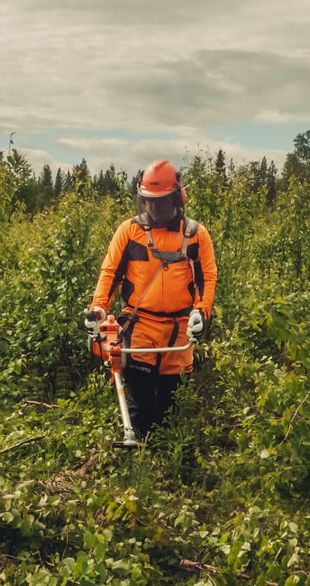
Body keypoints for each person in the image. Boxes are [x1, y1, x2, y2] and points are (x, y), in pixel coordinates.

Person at [86, 160, 217, 439]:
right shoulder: (129, 231)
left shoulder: (195, 236)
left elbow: (206, 279)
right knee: (141, 407)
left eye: (161, 202)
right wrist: (98, 308)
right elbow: (110, 273)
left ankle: (166, 460)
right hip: (140, 329)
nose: (153, 208)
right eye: (148, 201)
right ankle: (138, 457)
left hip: (179, 331)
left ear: (177, 199)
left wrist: (201, 312)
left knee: (169, 409)